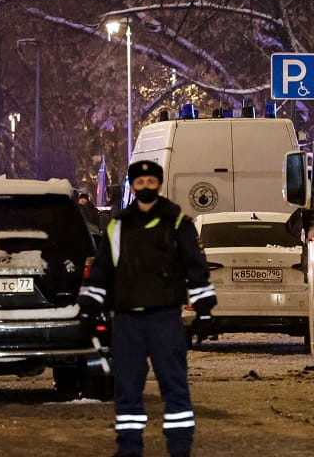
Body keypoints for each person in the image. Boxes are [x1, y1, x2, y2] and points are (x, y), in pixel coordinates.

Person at [80, 160, 218, 457]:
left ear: (159, 185)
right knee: (127, 390)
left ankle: (179, 449)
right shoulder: (117, 226)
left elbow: (196, 269)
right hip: (127, 319)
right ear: (132, 187)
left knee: (174, 387)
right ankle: (129, 449)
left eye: (151, 182)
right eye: (140, 183)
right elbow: (102, 272)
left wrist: (205, 309)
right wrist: (89, 306)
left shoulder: (177, 223)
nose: (145, 187)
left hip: (165, 318)